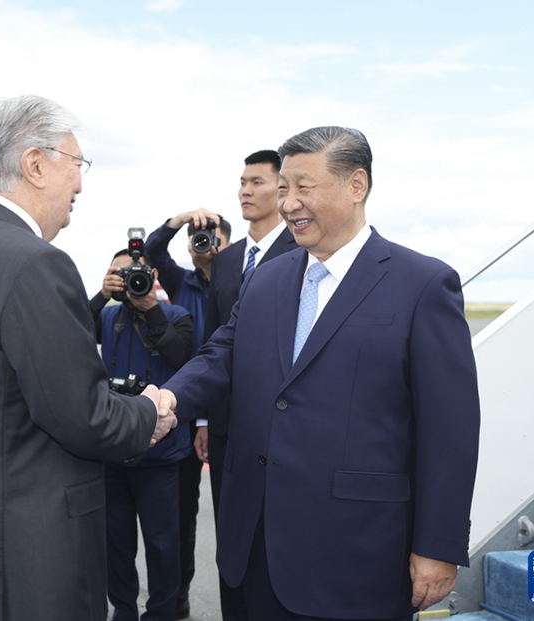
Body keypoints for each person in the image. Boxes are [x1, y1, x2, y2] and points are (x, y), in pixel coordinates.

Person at [158, 126, 480, 620]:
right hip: (258, 548)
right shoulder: (267, 278)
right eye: (283, 188)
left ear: (356, 186)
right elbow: (223, 352)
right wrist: (171, 398)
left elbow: (450, 428)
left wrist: (438, 545)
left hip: (360, 555)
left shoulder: (422, 284)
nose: (288, 204)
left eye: (303, 187)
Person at [0, 95, 175, 620]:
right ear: (34, 164)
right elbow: (83, 417)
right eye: (76, 164)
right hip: (22, 568)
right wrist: (148, 412)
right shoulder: (33, 263)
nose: (80, 183)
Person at [198, 149, 297, 620]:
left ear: (282, 191)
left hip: (276, 423)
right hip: (223, 429)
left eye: (256, 182)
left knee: (274, 536)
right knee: (230, 537)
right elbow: (214, 340)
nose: (244, 190)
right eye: (241, 181)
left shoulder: (302, 251)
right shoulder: (227, 259)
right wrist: (201, 417)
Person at [90, 248, 193, 621]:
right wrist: (103, 295)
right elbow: (71, 329)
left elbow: (182, 356)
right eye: (119, 274)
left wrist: (150, 306)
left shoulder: (177, 315)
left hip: (160, 456)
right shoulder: (109, 315)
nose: (129, 280)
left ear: (151, 274)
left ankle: (163, 613)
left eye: (134, 273)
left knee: (163, 545)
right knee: (115, 543)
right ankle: (124, 611)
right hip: (114, 450)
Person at [145, 208, 231, 618]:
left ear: (228, 246)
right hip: (181, 412)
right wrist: (180, 221)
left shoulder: (244, 284)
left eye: (212, 240)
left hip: (229, 413)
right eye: (198, 242)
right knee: (181, 520)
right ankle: (177, 602)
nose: (204, 247)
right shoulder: (181, 282)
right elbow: (151, 250)